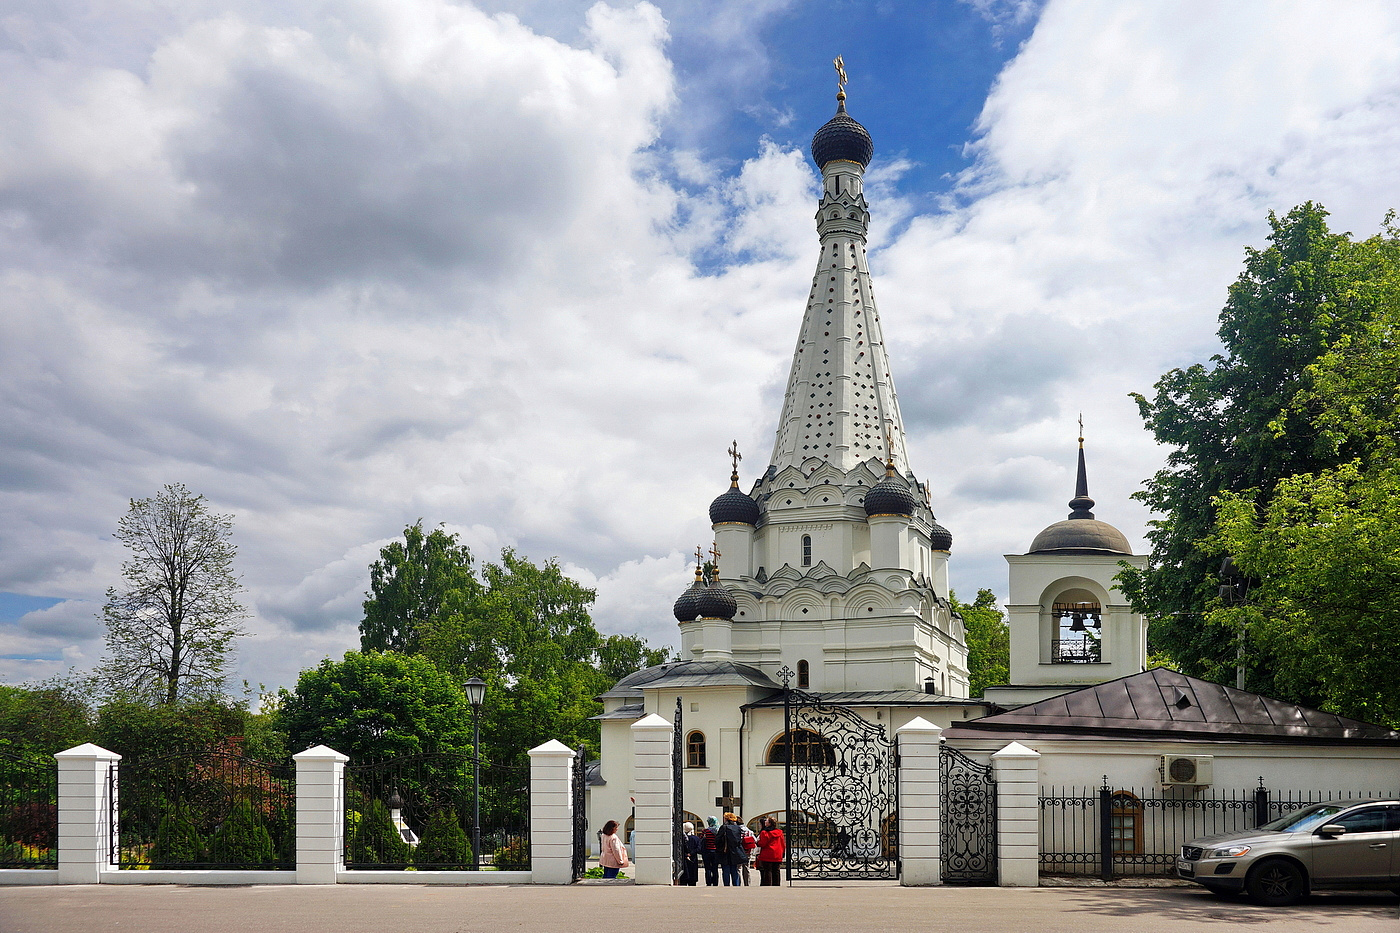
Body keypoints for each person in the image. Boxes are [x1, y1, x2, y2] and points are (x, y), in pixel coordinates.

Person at [716, 812, 746, 887]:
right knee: (734, 869)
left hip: (725, 851)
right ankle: (736, 885)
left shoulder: (724, 827)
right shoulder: (738, 828)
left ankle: (727, 885)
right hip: (735, 851)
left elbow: (717, 840)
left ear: (726, 819)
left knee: (726, 870)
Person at [756, 817, 785, 887]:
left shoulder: (765, 832)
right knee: (776, 871)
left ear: (769, 823)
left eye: (766, 821)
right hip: (777, 853)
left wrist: (757, 842)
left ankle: (768, 885)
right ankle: (776, 884)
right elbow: (783, 843)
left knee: (767, 870)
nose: (765, 822)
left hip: (767, 853)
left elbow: (762, 843)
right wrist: (783, 853)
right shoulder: (779, 832)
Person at [699, 816, 720, 886]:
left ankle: (708, 882)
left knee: (707, 868)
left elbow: (700, 839)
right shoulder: (718, 831)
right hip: (716, 851)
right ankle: (715, 882)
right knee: (715, 868)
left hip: (707, 851)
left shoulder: (705, 831)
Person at [680, 821, 700, 886]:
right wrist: (691, 853)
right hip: (693, 859)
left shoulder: (681, 838)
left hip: (684, 859)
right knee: (692, 880)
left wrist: (686, 854)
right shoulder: (696, 838)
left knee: (684, 880)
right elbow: (699, 848)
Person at [739, 821, 758, 885]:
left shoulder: (737, 830)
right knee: (746, 868)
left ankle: (737, 883)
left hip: (739, 851)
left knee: (738, 868)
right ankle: (747, 884)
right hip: (747, 851)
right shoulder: (749, 831)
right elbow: (755, 840)